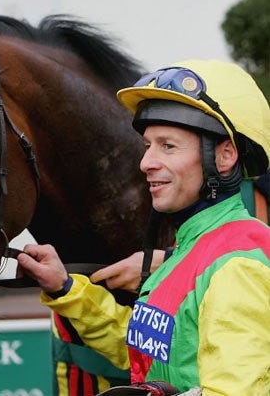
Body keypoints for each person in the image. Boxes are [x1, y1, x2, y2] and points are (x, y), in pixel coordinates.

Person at [17, 59, 270, 395]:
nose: (146, 163)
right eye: (148, 146)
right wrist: (65, 289)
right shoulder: (188, 251)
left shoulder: (236, 263)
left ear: (224, 156)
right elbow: (146, 351)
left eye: (168, 146)